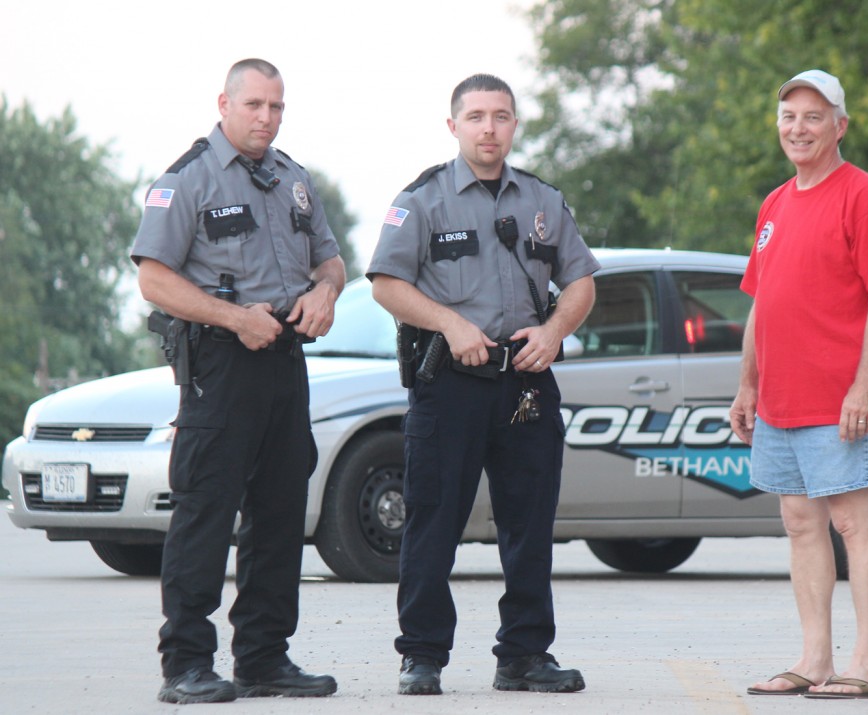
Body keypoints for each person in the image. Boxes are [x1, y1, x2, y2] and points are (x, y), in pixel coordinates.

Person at [367, 73, 598, 696]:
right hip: (451, 382)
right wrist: (450, 323)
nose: (489, 128)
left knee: (529, 524)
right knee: (433, 521)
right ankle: (421, 656)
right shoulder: (423, 199)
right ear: (454, 127)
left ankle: (524, 655)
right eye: (476, 117)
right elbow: (386, 283)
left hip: (525, 380)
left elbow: (581, 281)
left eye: (501, 116)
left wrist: (552, 333)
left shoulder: (543, 201)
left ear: (514, 124)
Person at [131, 58, 346, 705]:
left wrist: (326, 294)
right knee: (205, 511)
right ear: (223, 102)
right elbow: (154, 278)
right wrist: (233, 317)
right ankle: (188, 664)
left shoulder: (293, 180)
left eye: (277, 107)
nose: (266, 118)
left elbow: (330, 261)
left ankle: (263, 657)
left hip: (285, 357)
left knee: (280, 513)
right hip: (221, 364)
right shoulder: (188, 179)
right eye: (255, 105)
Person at [729, 69, 868, 700]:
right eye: (788, 118)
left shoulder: (865, 197)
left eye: (812, 116)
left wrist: (863, 385)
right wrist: (747, 384)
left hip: (840, 399)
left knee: (855, 524)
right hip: (779, 400)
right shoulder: (774, 204)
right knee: (801, 523)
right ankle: (815, 660)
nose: (798, 128)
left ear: (840, 126)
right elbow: (761, 301)